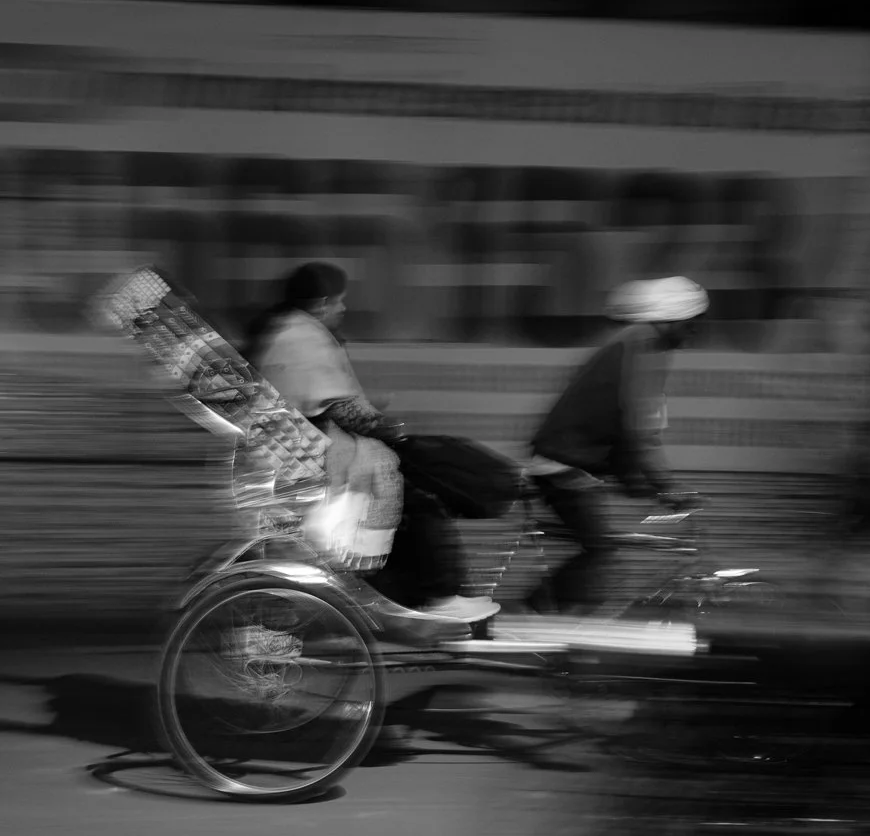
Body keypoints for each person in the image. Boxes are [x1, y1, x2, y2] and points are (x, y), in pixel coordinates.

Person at [245, 262, 497, 623]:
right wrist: (387, 428)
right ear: (321, 303)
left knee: (399, 507)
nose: (343, 309)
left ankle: (395, 604)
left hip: (292, 466)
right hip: (309, 473)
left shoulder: (283, 332)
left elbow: (319, 400)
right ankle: (440, 597)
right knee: (421, 505)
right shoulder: (301, 337)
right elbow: (339, 407)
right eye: (339, 301)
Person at [525, 275, 709, 614]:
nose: (695, 332)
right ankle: (532, 614)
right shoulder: (638, 344)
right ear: (672, 319)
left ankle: (562, 615)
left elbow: (629, 428)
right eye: (693, 323)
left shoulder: (643, 346)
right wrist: (665, 487)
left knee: (602, 555)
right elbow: (636, 428)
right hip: (562, 466)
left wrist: (645, 486)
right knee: (600, 550)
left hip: (573, 465)